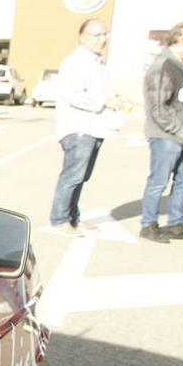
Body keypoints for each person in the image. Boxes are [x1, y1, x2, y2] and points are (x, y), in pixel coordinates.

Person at [139, 21, 183, 242]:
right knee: (158, 181)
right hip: (167, 137)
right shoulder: (163, 66)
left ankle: (177, 223)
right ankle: (148, 224)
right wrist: (181, 130)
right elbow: (158, 108)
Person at [48, 19, 113, 235]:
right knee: (72, 176)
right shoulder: (76, 62)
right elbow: (72, 94)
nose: (102, 39)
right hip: (78, 128)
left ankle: (73, 217)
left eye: (105, 34)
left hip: (94, 127)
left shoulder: (97, 62)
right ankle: (59, 220)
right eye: (97, 35)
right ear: (83, 37)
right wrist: (103, 102)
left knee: (82, 176)